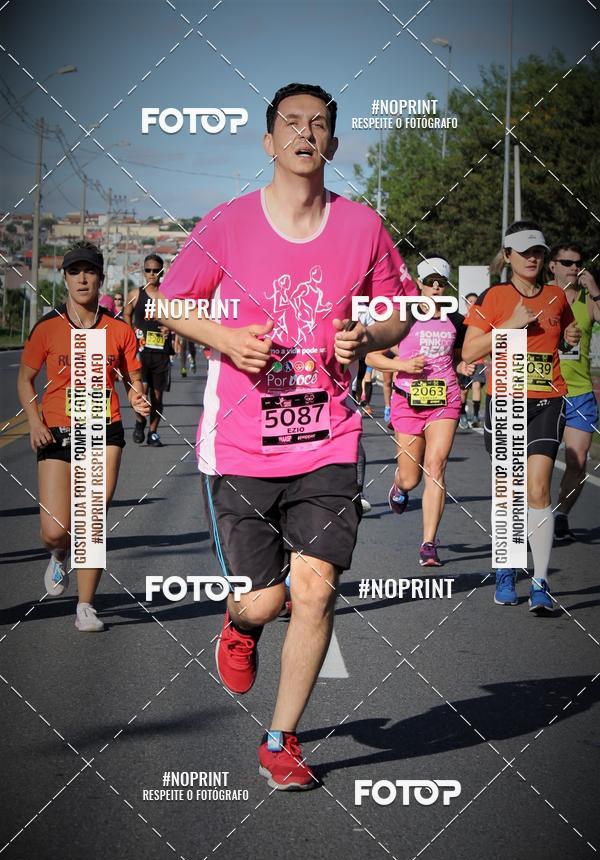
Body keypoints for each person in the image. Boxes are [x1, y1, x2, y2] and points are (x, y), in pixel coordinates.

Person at [155, 82, 417, 790]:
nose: (307, 132)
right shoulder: (227, 224)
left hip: (328, 439)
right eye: (292, 123)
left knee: (317, 588)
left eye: (321, 124)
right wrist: (223, 337)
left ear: (332, 144)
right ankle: (240, 624)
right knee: (267, 598)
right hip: (243, 447)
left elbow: (401, 312)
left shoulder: (362, 225)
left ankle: (282, 741)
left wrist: (370, 334)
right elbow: (166, 302)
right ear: (269, 141)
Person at [16, 241, 150, 631]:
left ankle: (86, 606)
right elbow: (25, 379)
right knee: (55, 530)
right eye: (74, 271)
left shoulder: (119, 329)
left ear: (100, 277)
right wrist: (35, 421)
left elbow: (133, 377)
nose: (82, 278)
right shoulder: (49, 326)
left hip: (102, 429)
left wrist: (137, 397)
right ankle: (59, 556)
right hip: (55, 431)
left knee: (91, 516)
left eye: (89, 271)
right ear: (65, 278)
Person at [462, 221, 580, 612]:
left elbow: (566, 330)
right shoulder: (495, 297)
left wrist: (571, 336)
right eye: (524, 252)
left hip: (548, 399)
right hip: (506, 400)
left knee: (539, 490)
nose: (532, 258)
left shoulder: (556, 296)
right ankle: (508, 567)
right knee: (508, 493)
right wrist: (510, 325)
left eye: (538, 252)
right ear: (507, 255)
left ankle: (542, 581)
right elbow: (468, 352)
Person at [366, 254, 474, 567]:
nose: (437, 289)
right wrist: (401, 364)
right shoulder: (403, 314)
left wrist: (463, 366)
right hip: (407, 400)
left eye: (442, 284)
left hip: (445, 399)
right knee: (412, 478)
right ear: (420, 284)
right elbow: (371, 356)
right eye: (431, 283)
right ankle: (399, 486)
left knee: (436, 466)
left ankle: (429, 543)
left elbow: (458, 355)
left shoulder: (456, 317)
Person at [548, 243, 600, 539]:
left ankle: (561, 515)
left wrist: (593, 287)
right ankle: (537, 510)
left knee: (577, 461)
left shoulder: (587, 300)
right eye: (566, 262)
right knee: (539, 460)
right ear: (552, 265)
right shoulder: (541, 296)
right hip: (544, 391)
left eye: (577, 263)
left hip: (579, 391)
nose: (572, 268)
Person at [123, 254, 169, 447]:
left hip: (160, 353)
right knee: (141, 393)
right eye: (148, 270)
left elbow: (181, 319)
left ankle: (153, 433)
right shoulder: (135, 294)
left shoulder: (168, 296)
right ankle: (140, 421)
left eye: (156, 270)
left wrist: (170, 329)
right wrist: (130, 333)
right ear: (144, 272)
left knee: (157, 397)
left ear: (161, 272)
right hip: (140, 353)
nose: (152, 274)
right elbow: (126, 314)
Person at [457, 292, 487, 429]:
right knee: (463, 390)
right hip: (464, 361)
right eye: (470, 302)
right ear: (466, 304)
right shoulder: (461, 320)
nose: (472, 305)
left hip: (479, 361)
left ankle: (475, 416)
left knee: (476, 386)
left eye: (475, 302)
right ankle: (462, 414)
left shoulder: (484, 320)